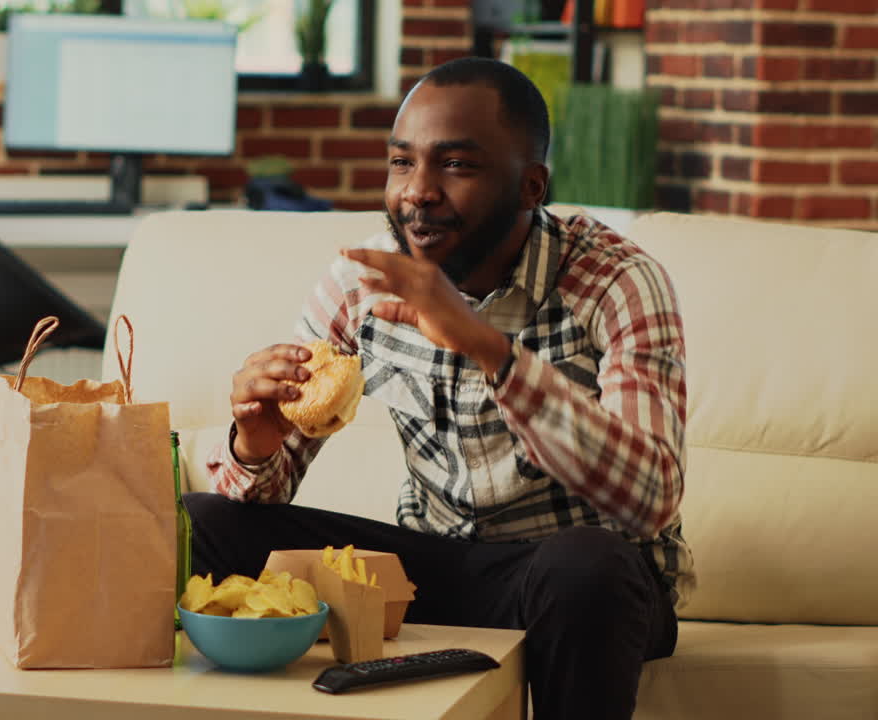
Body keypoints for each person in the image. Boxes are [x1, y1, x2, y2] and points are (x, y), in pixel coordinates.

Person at [184, 57, 693, 720]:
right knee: (200, 524)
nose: (417, 191)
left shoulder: (616, 281)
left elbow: (650, 499)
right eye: (402, 163)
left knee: (588, 566)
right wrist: (255, 445)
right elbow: (263, 491)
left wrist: (486, 346)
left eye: (456, 165)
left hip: (582, 581)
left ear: (531, 185)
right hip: (435, 567)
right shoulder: (361, 282)